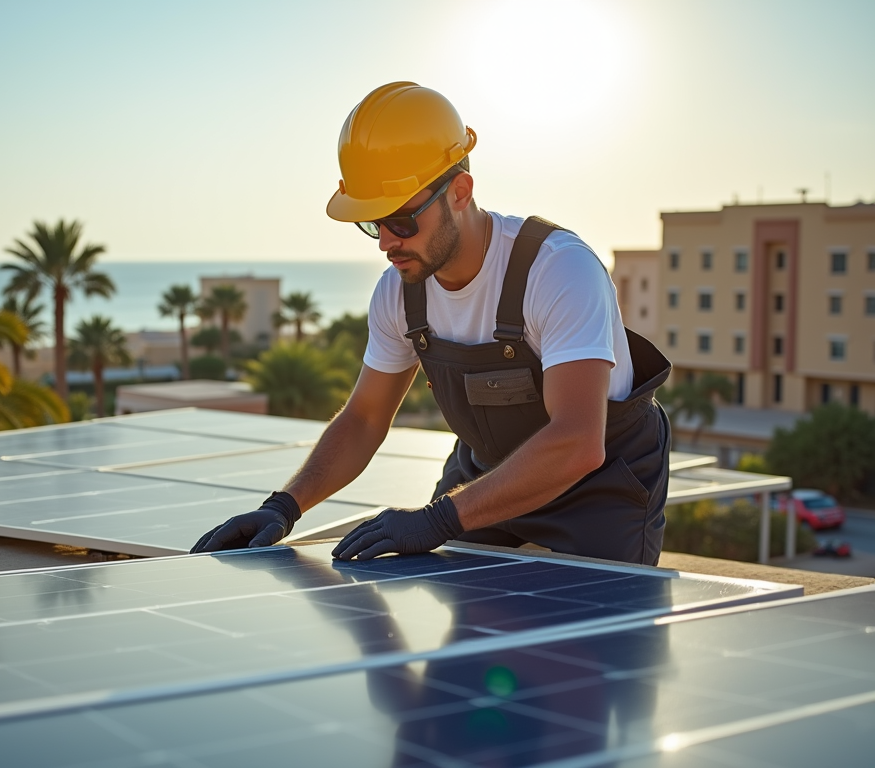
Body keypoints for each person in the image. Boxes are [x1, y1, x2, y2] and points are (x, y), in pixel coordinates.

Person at [191, 81, 671, 565]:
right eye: (371, 223)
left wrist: (437, 520)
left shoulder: (559, 271)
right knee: (464, 632)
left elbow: (576, 442)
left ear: (459, 192)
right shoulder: (399, 293)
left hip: (599, 490)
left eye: (400, 220)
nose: (385, 242)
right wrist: (283, 506)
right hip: (484, 478)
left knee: (596, 633)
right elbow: (364, 419)